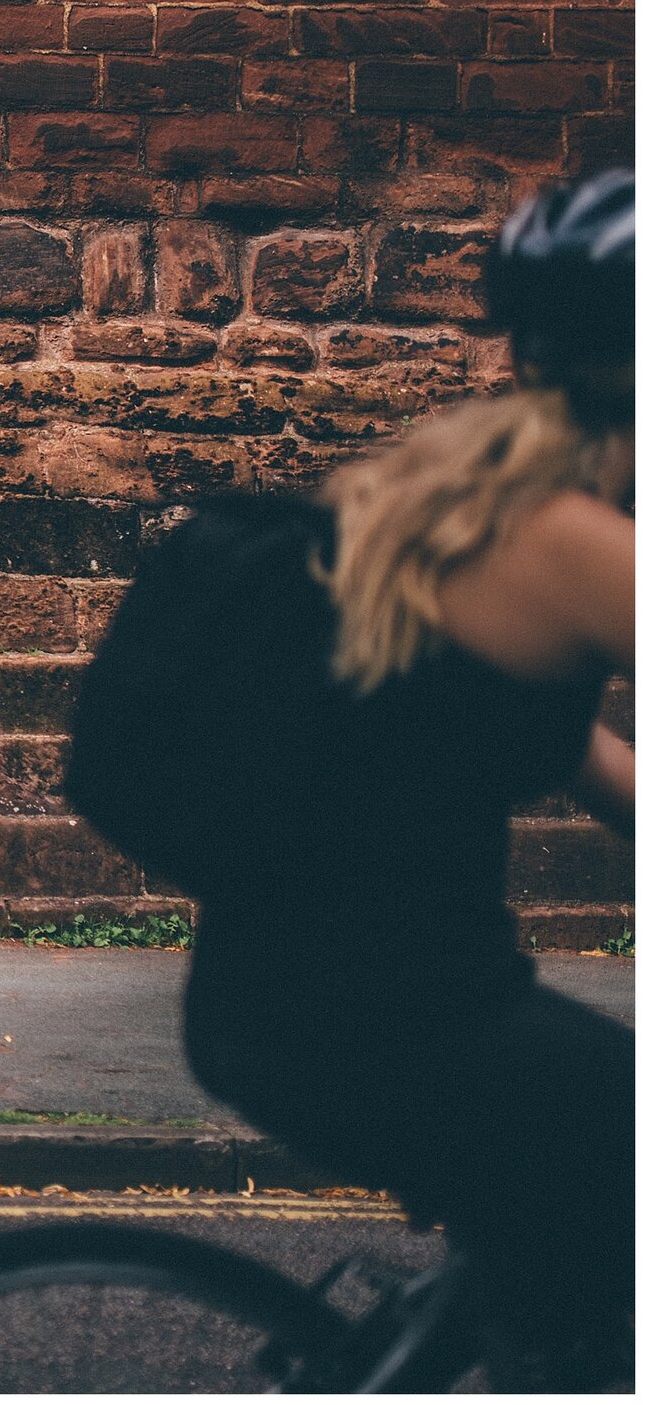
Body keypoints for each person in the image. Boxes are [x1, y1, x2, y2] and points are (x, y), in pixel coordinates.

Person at [72, 170, 633, 1387]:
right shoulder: (583, 543)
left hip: (277, 1003)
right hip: (409, 1018)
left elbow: (585, 759)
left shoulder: (458, 486)